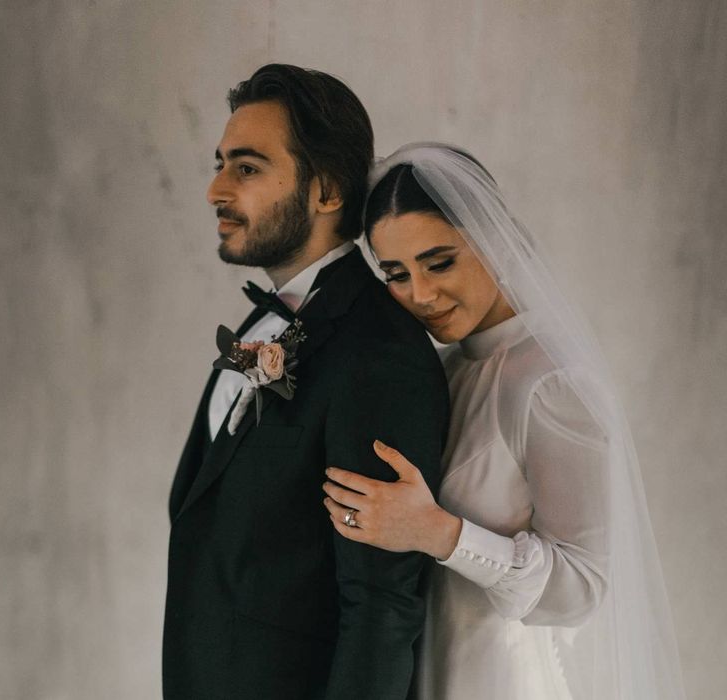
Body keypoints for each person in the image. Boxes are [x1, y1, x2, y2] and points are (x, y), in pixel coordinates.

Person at [323, 143, 686, 699]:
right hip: (426, 671)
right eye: (395, 273)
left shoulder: (552, 383)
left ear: (496, 239)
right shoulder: (443, 369)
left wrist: (440, 533)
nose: (420, 294)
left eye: (439, 262)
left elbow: (583, 588)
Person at [162, 69, 449, 699]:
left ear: (324, 191)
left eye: (246, 168)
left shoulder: (378, 353)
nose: (215, 189)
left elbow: (382, 610)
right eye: (220, 164)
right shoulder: (263, 321)